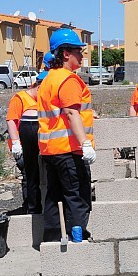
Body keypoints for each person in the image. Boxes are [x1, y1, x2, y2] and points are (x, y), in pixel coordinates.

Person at [37, 29, 96, 242]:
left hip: (50, 150)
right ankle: (77, 241)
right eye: (77, 51)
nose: (81, 55)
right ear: (64, 54)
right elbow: (71, 113)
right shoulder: (68, 79)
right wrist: (85, 144)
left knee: (54, 197)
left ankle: (52, 242)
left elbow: (60, 113)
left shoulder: (49, 79)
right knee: (77, 196)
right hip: (69, 149)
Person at [6, 70, 47, 215]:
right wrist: (16, 143)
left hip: (38, 144)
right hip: (22, 146)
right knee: (29, 174)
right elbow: (11, 120)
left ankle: (36, 205)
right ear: (37, 86)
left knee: (38, 175)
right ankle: (30, 206)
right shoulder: (20, 98)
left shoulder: (41, 100)